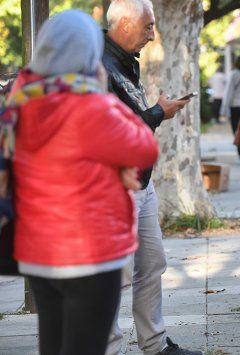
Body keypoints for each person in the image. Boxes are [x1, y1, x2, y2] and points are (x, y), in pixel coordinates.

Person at [4, 10, 158, 355]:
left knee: (54, 345)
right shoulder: (90, 106)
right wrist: (102, 91)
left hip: (38, 254)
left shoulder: (21, 100)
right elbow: (145, 147)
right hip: (89, 253)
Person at [102, 1, 202, 354]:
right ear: (126, 24)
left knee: (152, 262)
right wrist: (159, 112)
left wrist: (156, 111)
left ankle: (155, 343)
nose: (152, 35)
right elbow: (115, 132)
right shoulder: (98, 65)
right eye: (147, 27)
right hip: (115, 186)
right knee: (116, 273)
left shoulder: (126, 60)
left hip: (143, 181)